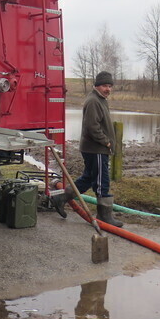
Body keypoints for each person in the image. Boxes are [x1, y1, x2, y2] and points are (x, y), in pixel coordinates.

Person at [54, 71, 123, 227]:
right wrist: (106, 142)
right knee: (101, 181)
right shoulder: (93, 101)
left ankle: (61, 198)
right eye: (105, 85)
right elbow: (91, 127)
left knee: (89, 178)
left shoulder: (100, 99)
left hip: (96, 149)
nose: (108, 89)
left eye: (110, 86)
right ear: (97, 85)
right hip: (96, 149)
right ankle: (104, 216)